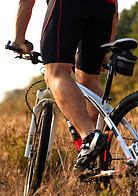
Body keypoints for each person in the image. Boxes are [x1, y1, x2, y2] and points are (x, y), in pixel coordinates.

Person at [13, 0, 118, 176]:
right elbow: (114, 10)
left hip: (67, 5)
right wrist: (104, 54)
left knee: (56, 73)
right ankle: (103, 153)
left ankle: (90, 137)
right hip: (105, 9)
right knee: (89, 80)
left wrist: (19, 40)